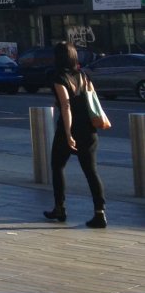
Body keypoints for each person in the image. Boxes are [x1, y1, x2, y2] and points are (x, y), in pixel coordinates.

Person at [44, 40, 107, 228]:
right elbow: (91, 100)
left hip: (69, 130)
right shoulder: (84, 76)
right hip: (88, 129)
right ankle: (100, 213)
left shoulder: (58, 77)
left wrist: (68, 133)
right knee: (91, 171)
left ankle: (60, 208)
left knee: (57, 166)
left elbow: (66, 105)